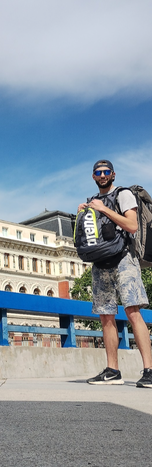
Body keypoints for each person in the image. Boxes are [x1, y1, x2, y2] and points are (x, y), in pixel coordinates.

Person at [77, 159, 152, 387]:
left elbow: (132, 226)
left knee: (132, 311)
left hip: (124, 259)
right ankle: (112, 371)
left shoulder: (123, 194)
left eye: (106, 171)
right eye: (98, 172)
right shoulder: (93, 202)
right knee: (105, 315)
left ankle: (149, 370)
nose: (102, 175)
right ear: (93, 176)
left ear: (113, 174)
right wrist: (84, 213)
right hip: (101, 262)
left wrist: (104, 209)